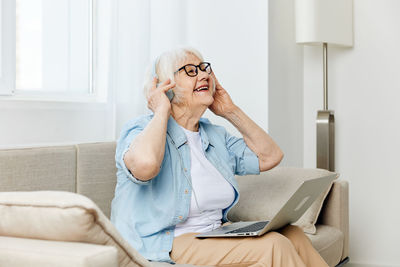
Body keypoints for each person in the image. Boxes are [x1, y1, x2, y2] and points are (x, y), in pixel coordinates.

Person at [111, 47, 329, 267]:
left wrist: (229, 110)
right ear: (165, 86)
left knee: (293, 234)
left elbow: (270, 156)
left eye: (204, 68)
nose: (204, 75)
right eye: (190, 70)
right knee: (273, 245)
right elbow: (145, 166)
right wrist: (161, 111)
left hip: (215, 233)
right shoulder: (140, 129)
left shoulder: (214, 135)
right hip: (165, 242)